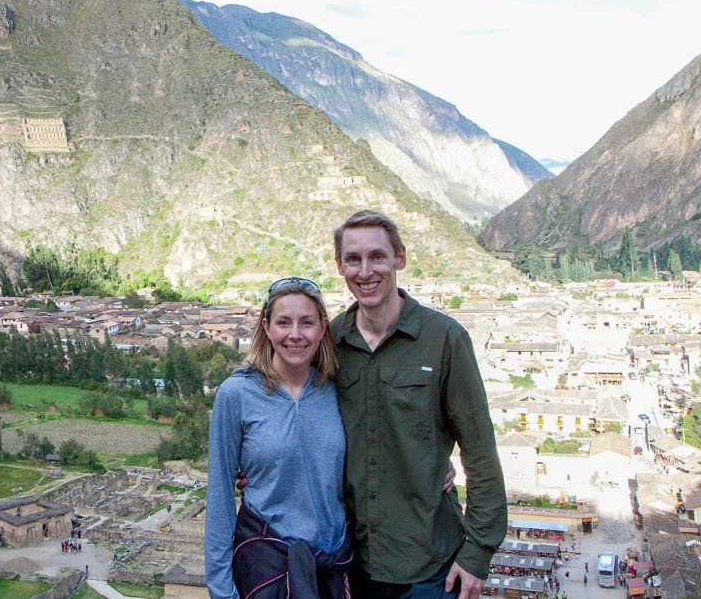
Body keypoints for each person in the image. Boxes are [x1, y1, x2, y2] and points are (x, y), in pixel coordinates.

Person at [330, 209, 506, 599]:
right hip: (349, 561)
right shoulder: (330, 342)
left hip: (429, 565)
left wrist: (478, 553)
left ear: (400, 258)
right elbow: (297, 413)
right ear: (339, 266)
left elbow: (479, 448)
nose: (365, 271)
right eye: (353, 259)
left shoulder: (444, 338)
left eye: (377, 256)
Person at [205, 278, 352, 599]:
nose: (295, 334)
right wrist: (220, 588)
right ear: (267, 327)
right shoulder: (237, 395)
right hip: (269, 565)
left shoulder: (337, 389)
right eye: (283, 322)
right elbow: (219, 494)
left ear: (323, 328)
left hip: (333, 560)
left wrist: (438, 462)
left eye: (307, 323)